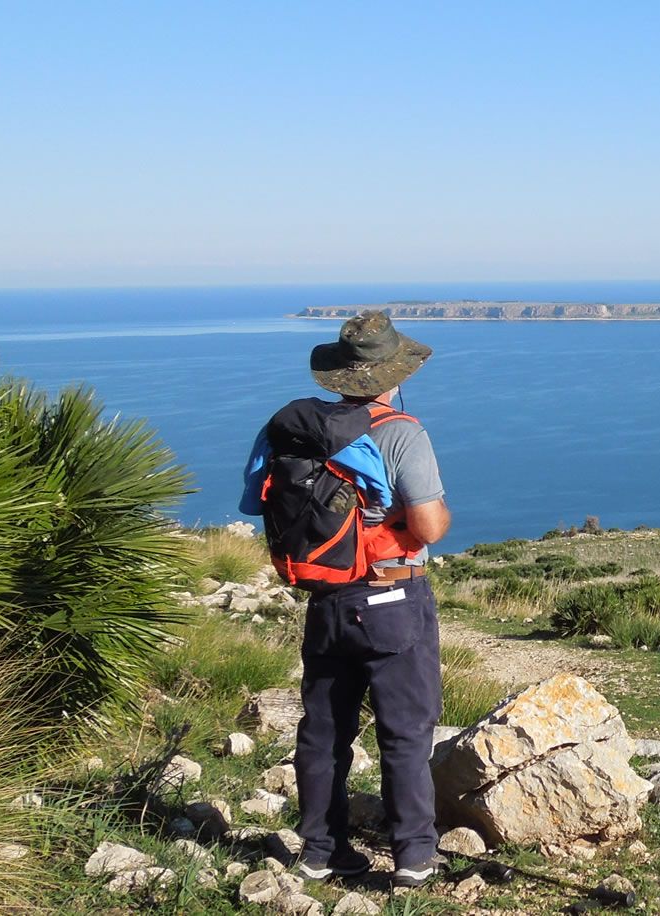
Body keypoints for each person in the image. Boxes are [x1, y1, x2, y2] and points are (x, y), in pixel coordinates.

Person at [241, 311, 452, 889]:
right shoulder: (400, 431)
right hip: (392, 596)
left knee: (325, 729)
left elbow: (256, 504)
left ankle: (320, 851)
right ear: (393, 373)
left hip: (326, 598)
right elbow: (430, 527)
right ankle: (413, 857)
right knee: (406, 730)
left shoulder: (290, 430)